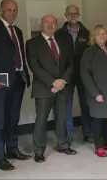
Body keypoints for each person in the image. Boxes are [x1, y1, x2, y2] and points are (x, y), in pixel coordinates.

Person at [26, 14, 77, 163]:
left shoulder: (64, 41)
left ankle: (63, 145)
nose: (50, 25)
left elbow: (70, 64)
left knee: (62, 118)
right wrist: (53, 82)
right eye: (47, 22)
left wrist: (63, 81)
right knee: (41, 120)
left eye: (53, 23)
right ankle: (39, 151)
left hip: (62, 87)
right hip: (43, 88)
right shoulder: (32, 43)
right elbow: (34, 66)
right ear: (41, 24)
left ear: (56, 25)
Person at [0, 0, 31, 170]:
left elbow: (19, 56)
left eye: (15, 10)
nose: (12, 13)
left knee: (13, 118)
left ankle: (13, 149)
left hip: (18, 79)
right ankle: (0, 156)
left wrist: (26, 75)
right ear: (1, 10)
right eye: (8, 10)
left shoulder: (18, 31)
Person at [80, 24, 107, 157]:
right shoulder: (89, 52)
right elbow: (84, 73)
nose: (102, 36)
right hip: (97, 92)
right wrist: (95, 93)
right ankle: (98, 146)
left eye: (104, 33)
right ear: (94, 37)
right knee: (98, 120)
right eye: (99, 34)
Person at [55, 4, 92, 143]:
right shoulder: (59, 34)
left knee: (86, 104)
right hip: (66, 75)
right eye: (70, 13)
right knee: (67, 105)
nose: (73, 15)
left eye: (75, 13)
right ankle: (69, 135)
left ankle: (88, 133)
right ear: (65, 15)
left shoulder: (86, 33)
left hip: (84, 74)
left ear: (79, 14)